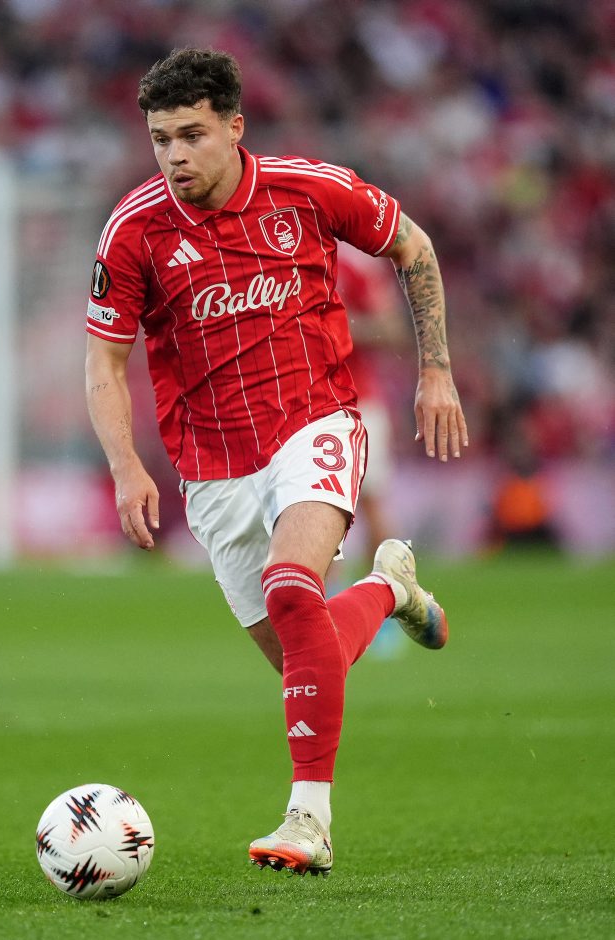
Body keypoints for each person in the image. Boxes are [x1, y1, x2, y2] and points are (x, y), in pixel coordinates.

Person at [85, 48, 468, 878]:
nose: (175, 155)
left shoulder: (308, 189)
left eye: (191, 135)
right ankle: (390, 588)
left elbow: (414, 247)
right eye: (160, 139)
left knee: (292, 587)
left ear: (235, 126)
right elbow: (105, 362)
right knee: (306, 652)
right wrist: (125, 465)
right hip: (211, 465)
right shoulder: (134, 230)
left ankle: (308, 821)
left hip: (315, 422)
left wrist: (436, 371)